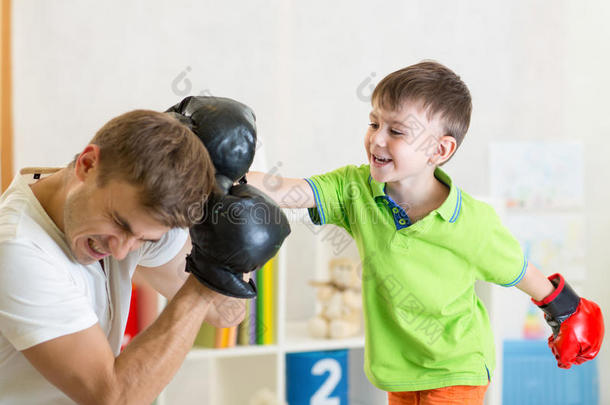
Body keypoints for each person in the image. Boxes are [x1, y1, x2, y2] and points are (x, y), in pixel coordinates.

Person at [247, 61, 604, 405]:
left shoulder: (472, 222)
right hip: (398, 370)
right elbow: (289, 191)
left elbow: (519, 270)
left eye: (396, 131)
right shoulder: (355, 190)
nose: (377, 140)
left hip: (457, 368)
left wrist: (568, 309)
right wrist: (222, 174)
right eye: (374, 123)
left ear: (440, 149)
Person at [0, 100, 290, 404]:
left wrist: (224, 231)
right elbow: (114, 398)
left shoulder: (133, 215)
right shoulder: (19, 250)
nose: (123, 251)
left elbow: (225, 313)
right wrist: (208, 281)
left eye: (142, 240)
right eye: (119, 223)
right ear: (87, 164)